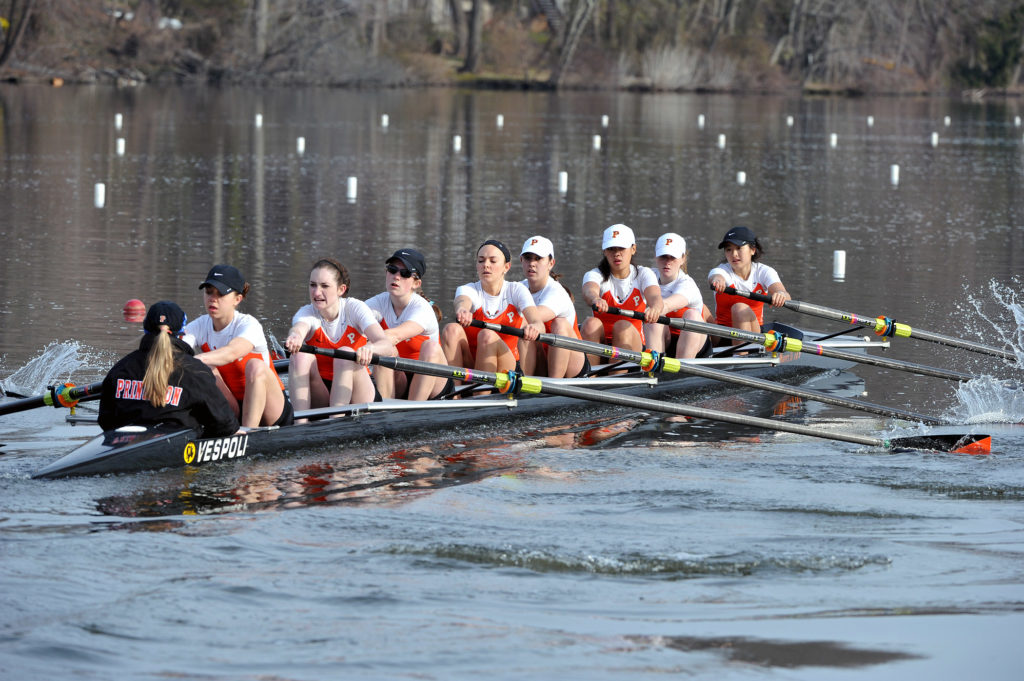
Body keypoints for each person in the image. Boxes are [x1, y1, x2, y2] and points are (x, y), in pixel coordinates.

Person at [98, 301, 239, 436]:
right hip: (177, 450)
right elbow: (226, 425)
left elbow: (105, 421)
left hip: (123, 447)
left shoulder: (120, 369)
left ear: (146, 328)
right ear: (182, 331)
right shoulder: (196, 371)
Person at [185, 264, 293, 428]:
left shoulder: (249, 325)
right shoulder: (198, 326)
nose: (213, 298)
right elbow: (175, 350)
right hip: (234, 408)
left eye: (220, 293)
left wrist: (191, 360)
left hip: (272, 409)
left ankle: (248, 433)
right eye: (209, 292)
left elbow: (231, 352)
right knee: (204, 368)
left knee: (255, 366)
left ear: (238, 299)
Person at [284, 258, 394, 413]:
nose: (316, 293)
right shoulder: (307, 313)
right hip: (322, 393)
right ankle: (299, 424)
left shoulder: (355, 308)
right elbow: (299, 328)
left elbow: (386, 345)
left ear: (341, 289)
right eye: (313, 285)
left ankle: (336, 421)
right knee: (299, 356)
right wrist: (295, 337)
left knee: (346, 353)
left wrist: (370, 348)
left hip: (358, 394)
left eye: (324, 286)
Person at [440, 239, 544, 374]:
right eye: (481, 261)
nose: (486, 265)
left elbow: (538, 323)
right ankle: (454, 393)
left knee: (487, 335)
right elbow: (462, 301)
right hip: (472, 363)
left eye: (493, 261)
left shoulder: (516, 290)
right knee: (451, 329)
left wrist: (534, 327)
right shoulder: (468, 289)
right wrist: (462, 310)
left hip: (507, 367)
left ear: (506, 267)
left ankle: (481, 393)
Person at [365, 248, 449, 400]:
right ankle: (383, 413)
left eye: (404, 273)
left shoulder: (422, 308)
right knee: (385, 351)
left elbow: (395, 336)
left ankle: (413, 410)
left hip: (433, 381)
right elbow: (350, 323)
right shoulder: (377, 303)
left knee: (430, 347)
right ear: (386, 273)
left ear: (416, 283)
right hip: (400, 380)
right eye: (392, 270)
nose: (396, 277)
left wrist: (366, 347)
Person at [580, 224, 664, 365]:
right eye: (611, 249)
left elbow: (655, 297)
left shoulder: (643, 274)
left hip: (633, 347)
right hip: (601, 346)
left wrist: (655, 308)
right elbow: (589, 290)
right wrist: (596, 298)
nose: (616, 253)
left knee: (621, 326)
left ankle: (615, 377)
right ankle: (590, 377)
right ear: (605, 252)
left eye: (621, 248)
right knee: (590, 323)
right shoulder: (595, 274)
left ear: (633, 249)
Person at [517, 235, 586, 378]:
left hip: (571, 365)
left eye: (538, 259)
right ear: (521, 261)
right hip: (540, 358)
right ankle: (524, 385)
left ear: (551, 263)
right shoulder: (518, 288)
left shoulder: (557, 292)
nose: (532, 263)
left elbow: (532, 316)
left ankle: (554, 385)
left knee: (557, 324)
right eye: (528, 258)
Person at [707, 226, 791, 336]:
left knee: (739, 308)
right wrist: (717, 280)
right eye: (729, 249)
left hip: (753, 334)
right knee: (700, 309)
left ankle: (742, 353)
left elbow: (785, 294)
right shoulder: (721, 270)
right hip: (722, 334)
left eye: (738, 248)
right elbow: (716, 276)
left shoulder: (764, 272)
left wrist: (780, 295)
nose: (734, 254)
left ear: (753, 250)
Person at [644, 232, 712, 359]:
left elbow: (668, 304)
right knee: (654, 320)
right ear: (655, 256)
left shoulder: (687, 284)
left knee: (691, 315)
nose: (667, 262)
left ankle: (682, 371)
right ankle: (655, 368)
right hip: (664, 340)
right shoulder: (646, 276)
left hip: (694, 344)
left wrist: (652, 309)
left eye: (672, 257)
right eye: (663, 256)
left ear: (682, 259)